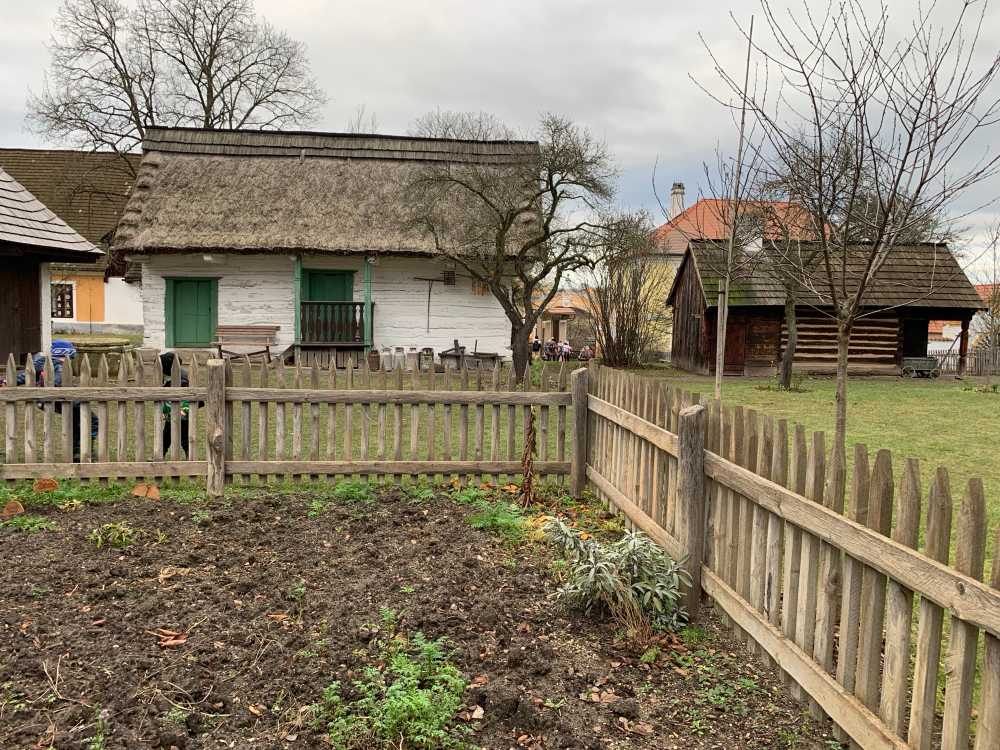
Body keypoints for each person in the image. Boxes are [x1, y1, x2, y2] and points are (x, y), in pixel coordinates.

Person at [14, 340, 96, 462]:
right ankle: (82, 451)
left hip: (47, 400)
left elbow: (24, 375)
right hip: (60, 400)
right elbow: (57, 382)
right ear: (66, 354)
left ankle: (77, 451)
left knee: (76, 423)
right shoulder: (59, 365)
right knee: (92, 422)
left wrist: (5, 381)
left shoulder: (42, 362)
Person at [160, 352, 191, 457]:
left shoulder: (182, 378)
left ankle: (189, 455)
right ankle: (161, 454)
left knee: (185, 436)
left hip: (183, 414)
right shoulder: (168, 378)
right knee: (166, 436)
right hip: (171, 414)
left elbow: (186, 398)